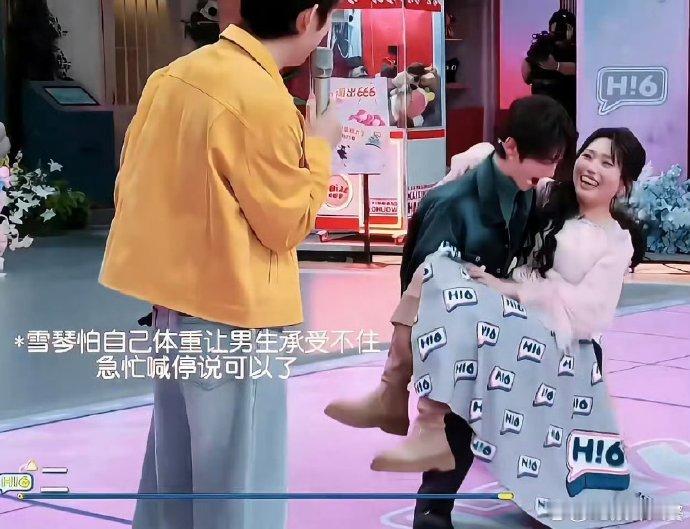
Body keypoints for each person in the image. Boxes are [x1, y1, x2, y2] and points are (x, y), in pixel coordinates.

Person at [99, 1, 341, 528]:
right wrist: (319, 150)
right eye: (329, 22)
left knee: (173, 490)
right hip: (235, 321)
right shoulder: (261, 98)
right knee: (240, 495)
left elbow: (128, 188)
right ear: (308, 18)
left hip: (171, 314)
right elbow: (287, 223)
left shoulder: (171, 77)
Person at [331, 127, 647, 528]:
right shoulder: (550, 196)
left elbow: (589, 312)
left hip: (563, 346)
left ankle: (402, 415)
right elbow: (505, 166)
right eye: (588, 155)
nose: (591, 168)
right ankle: (404, 422)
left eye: (607, 164)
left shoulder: (616, 241)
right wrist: (482, 155)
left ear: (623, 184)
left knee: (470, 358)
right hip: (503, 319)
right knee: (437, 274)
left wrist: (514, 290)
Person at [522, 9, 577, 122]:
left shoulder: (577, 48)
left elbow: (581, 70)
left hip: (567, 108)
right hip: (543, 108)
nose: (559, 32)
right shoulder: (542, 46)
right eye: (556, 27)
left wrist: (557, 66)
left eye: (564, 28)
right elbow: (527, 70)